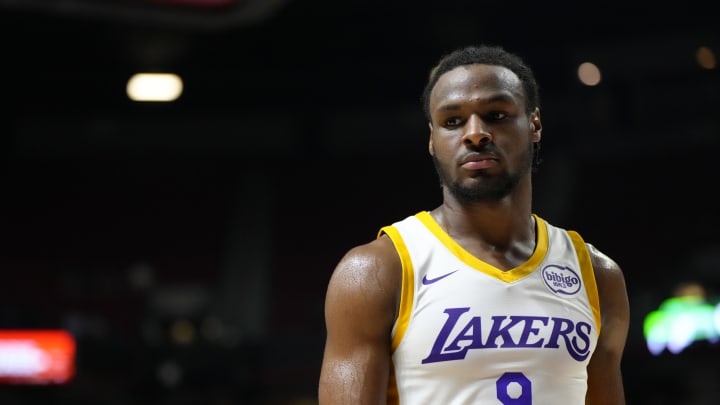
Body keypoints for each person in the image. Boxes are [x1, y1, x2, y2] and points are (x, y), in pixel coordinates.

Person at [318, 44, 630, 404]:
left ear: (535, 124)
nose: (475, 134)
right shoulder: (377, 271)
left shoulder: (596, 274)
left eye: (496, 115)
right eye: (453, 121)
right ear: (432, 140)